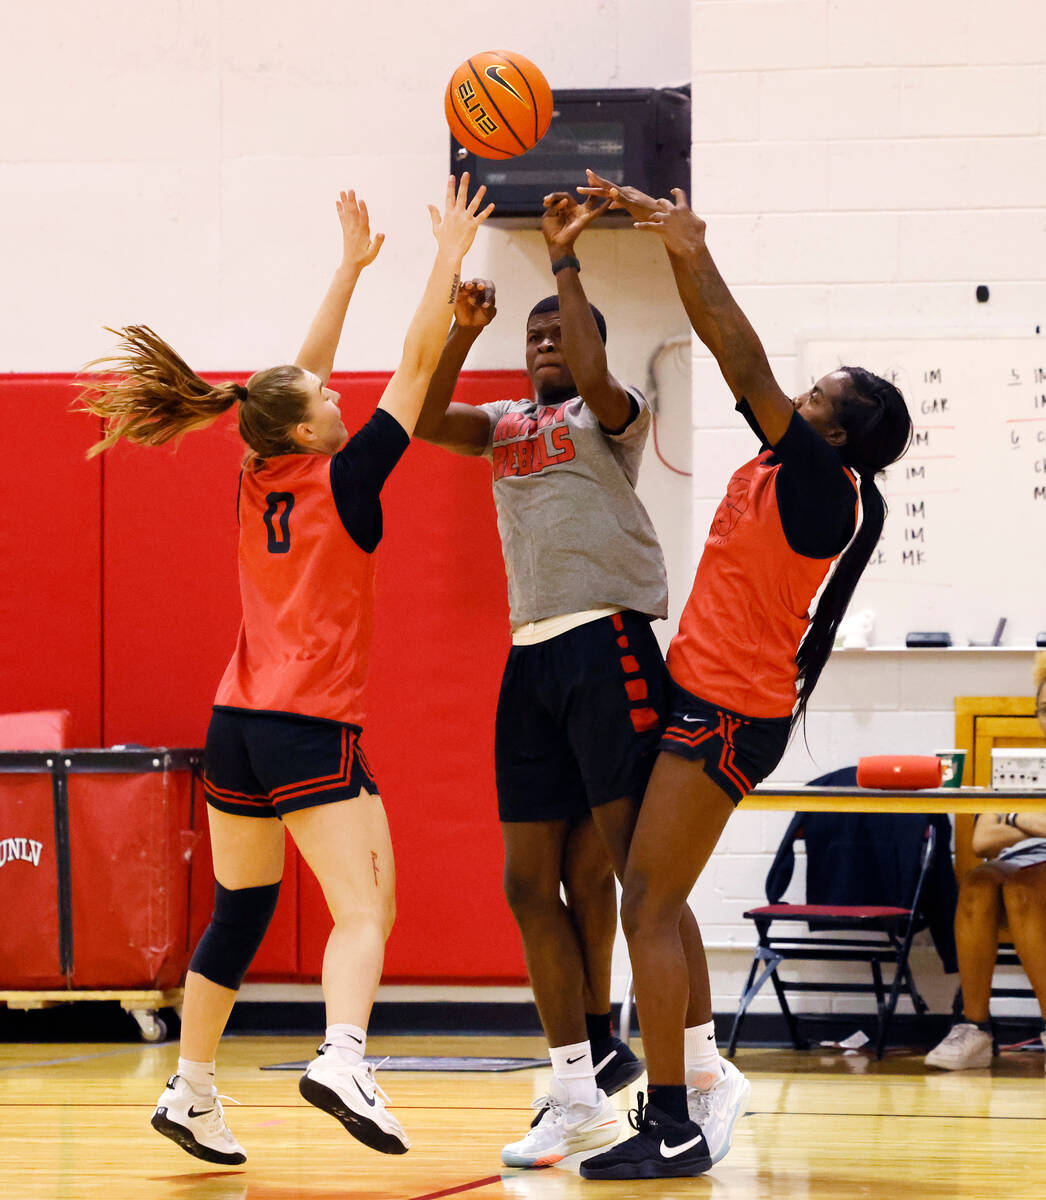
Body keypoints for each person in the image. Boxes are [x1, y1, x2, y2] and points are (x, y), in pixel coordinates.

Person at [77, 177, 492, 1164]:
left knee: (240, 912)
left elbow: (296, 378)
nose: (337, 395)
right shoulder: (347, 476)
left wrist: (346, 271)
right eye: (326, 402)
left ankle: (191, 1088)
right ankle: (342, 1057)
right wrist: (445, 257)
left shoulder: (258, 470)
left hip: (234, 728)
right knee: (367, 910)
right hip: (308, 727)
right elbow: (417, 364)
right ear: (308, 431)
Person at [574, 174, 914, 1180]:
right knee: (656, 893)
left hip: (727, 713)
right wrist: (676, 249)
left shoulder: (822, 487)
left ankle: (673, 1119)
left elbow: (737, 352)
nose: (795, 399)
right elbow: (731, 353)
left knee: (645, 901)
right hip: (700, 692)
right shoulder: (789, 468)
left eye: (815, 399)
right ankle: (704, 1082)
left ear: (835, 435)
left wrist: (690, 248)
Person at [413, 191, 670, 1169]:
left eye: (560, 330)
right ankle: (575, 1079)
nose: (546, 343)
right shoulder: (503, 422)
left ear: (586, 336)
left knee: (616, 869)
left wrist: (563, 261)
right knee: (530, 881)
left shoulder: (613, 413)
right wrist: (458, 330)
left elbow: (596, 373)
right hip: (529, 656)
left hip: (606, 641)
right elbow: (423, 417)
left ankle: (662, 1062)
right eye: (534, 336)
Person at [925, 651, 1046, 1071]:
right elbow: (982, 838)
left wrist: (1012, 820)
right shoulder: (1023, 766)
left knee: (1023, 886)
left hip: (1031, 877)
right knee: (978, 881)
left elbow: (1001, 827)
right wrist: (1027, 820)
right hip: (1021, 863)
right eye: (1045, 709)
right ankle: (974, 1027)